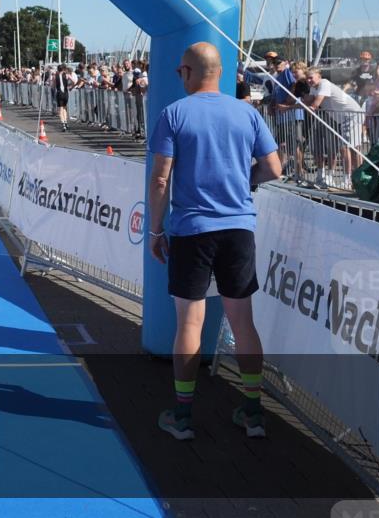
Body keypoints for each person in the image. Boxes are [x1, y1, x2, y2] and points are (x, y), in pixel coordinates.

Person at [148, 42, 281, 441]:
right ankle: (254, 413)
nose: (179, 77)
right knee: (243, 321)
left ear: (188, 71)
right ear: (219, 72)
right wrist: (245, 182)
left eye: (179, 72)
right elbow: (273, 168)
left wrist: (156, 231)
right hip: (239, 228)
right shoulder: (247, 112)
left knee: (190, 322)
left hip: (193, 230)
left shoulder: (173, 114)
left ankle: (183, 415)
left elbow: (159, 180)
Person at [304, 67, 363, 189]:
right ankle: (356, 179)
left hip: (352, 115)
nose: (309, 80)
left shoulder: (324, 84)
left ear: (319, 76)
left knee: (347, 148)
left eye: (311, 77)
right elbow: (308, 100)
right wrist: (295, 102)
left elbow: (316, 103)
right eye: (307, 78)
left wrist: (311, 107)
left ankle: (349, 180)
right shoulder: (313, 87)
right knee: (350, 148)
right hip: (343, 119)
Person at [54, 64, 72, 131]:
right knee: (64, 108)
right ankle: (66, 122)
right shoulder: (67, 75)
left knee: (60, 109)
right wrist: (70, 86)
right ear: (64, 69)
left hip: (59, 93)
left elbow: (53, 85)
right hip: (65, 93)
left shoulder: (55, 76)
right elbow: (74, 81)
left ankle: (63, 124)